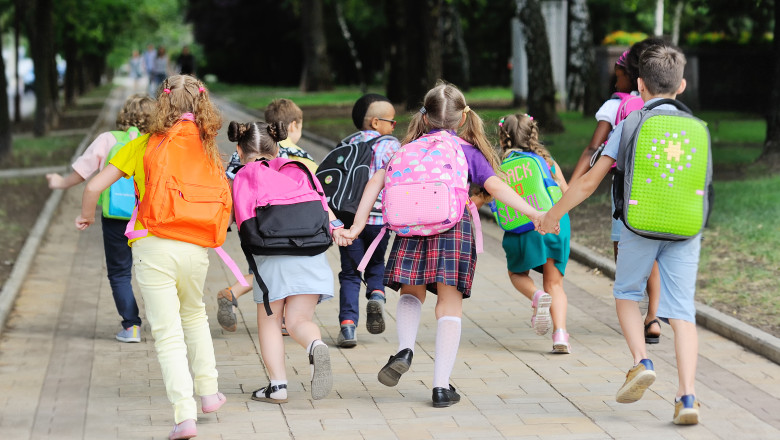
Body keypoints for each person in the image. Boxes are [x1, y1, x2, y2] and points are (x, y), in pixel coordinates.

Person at [341, 82, 546, 408]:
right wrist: (534, 212)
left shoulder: (406, 148)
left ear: (425, 115)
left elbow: (377, 180)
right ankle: (440, 387)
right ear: (463, 116)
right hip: (452, 229)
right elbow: (495, 186)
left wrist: (356, 226)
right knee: (449, 305)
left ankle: (405, 348)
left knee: (412, 293)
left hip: (410, 229)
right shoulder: (466, 149)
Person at [539, 43, 703, 425]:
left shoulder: (630, 123)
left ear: (640, 85)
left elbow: (589, 182)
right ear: (681, 86)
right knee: (682, 313)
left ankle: (640, 361)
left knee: (627, 293)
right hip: (684, 228)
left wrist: (552, 215)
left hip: (637, 224)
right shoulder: (698, 127)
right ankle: (687, 396)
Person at [75, 75, 228, 439]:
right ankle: (209, 393)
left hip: (154, 245)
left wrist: (85, 215)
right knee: (194, 315)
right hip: (197, 246)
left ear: (164, 105)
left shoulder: (143, 145)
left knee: (167, 333)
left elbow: (94, 185)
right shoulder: (208, 146)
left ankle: (184, 415)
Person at [228, 120, 350, 404]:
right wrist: (338, 231)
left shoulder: (243, 175)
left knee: (270, 323)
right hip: (312, 254)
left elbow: (234, 218)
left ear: (238, 148)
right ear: (278, 145)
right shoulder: (300, 169)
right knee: (298, 321)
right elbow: (323, 206)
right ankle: (314, 345)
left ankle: (278, 386)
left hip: (271, 260)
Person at [569, 38, 665, 345]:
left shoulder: (615, 105)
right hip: (656, 186)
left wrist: (570, 187)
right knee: (652, 253)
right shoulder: (658, 104)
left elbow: (593, 147)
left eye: (619, 73)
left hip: (625, 187)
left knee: (623, 250)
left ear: (631, 74)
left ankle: (631, 312)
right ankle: (653, 318)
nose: (615, 79)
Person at [47, 94, 154, 344]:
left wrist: (61, 183)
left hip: (116, 217)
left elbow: (82, 173)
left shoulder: (108, 140)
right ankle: (165, 325)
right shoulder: (158, 142)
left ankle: (131, 327)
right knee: (155, 271)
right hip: (149, 217)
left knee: (119, 273)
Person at [216, 98, 317, 334]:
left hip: (249, 227)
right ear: (290, 127)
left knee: (264, 268)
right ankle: (280, 319)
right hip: (287, 224)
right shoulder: (297, 156)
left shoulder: (236, 159)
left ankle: (237, 293)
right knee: (283, 269)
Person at [497, 113, 572, 353]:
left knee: (516, 273)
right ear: (533, 134)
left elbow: (487, 196)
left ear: (503, 137)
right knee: (555, 283)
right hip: (554, 223)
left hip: (523, 228)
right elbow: (566, 190)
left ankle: (536, 295)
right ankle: (560, 335)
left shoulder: (498, 167)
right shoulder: (546, 160)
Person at [334, 94, 401, 348]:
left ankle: (348, 327)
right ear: (375, 122)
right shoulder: (391, 145)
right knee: (376, 264)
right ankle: (376, 295)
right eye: (391, 122)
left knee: (350, 273)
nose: (394, 127)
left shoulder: (345, 144)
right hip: (378, 219)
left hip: (348, 220)